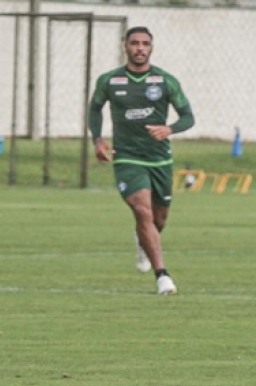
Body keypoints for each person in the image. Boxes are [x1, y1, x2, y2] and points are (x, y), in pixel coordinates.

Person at [88, 26, 195, 295]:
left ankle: (143, 240)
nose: (139, 48)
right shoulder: (110, 81)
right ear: (125, 46)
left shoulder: (165, 81)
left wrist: (169, 129)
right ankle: (163, 276)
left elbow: (187, 116)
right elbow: (95, 108)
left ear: (151, 47)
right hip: (127, 158)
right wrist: (98, 140)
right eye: (134, 43)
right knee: (141, 209)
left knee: (158, 219)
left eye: (145, 43)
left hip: (159, 160)